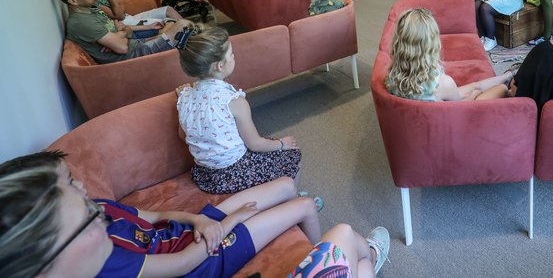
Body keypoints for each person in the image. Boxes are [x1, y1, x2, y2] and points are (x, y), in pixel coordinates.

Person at [0, 152, 391, 278]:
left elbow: (150, 216)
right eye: (88, 216)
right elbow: (184, 263)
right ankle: (368, 254)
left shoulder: (100, 218)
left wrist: (199, 219)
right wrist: (228, 222)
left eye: (73, 181)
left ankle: (366, 258)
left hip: (188, 233)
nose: (94, 206)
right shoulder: (112, 266)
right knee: (340, 233)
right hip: (202, 253)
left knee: (288, 187)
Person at [176, 28, 304, 195]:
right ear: (220, 66)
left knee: (269, 141)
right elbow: (255, 144)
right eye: (231, 54)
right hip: (235, 173)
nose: (234, 56)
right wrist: (282, 144)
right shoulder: (234, 101)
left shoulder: (184, 97)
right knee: (292, 153)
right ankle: (293, 199)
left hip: (205, 175)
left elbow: (183, 135)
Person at [55, 0, 193, 64]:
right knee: (183, 25)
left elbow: (116, 23)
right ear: (73, 1)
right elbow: (122, 48)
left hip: (136, 44)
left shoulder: (91, 10)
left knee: (173, 25)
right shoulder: (81, 22)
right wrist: (122, 33)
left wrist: (121, 33)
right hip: (135, 56)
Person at [386, 8, 518, 101]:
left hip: (438, 100)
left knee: (475, 85)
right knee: (500, 88)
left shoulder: (392, 78)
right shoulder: (443, 82)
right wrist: (473, 95)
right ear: (431, 45)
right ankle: (508, 82)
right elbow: (456, 108)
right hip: (454, 118)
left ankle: (508, 75)